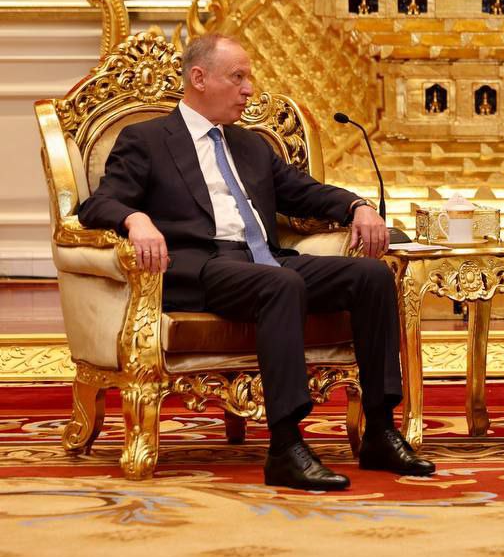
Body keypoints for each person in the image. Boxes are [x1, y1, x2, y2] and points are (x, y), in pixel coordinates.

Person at [78, 33, 435, 491]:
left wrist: (357, 206)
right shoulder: (147, 140)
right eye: (238, 77)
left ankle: (380, 431)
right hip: (203, 268)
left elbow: (304, 192)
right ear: (199, 78)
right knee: (280, 284)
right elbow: (98, 204)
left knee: (370, 276)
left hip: (265, 260)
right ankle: (286, 446)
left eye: (248, 78)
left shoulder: (249, 144)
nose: (249, 89)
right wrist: (136, 218)